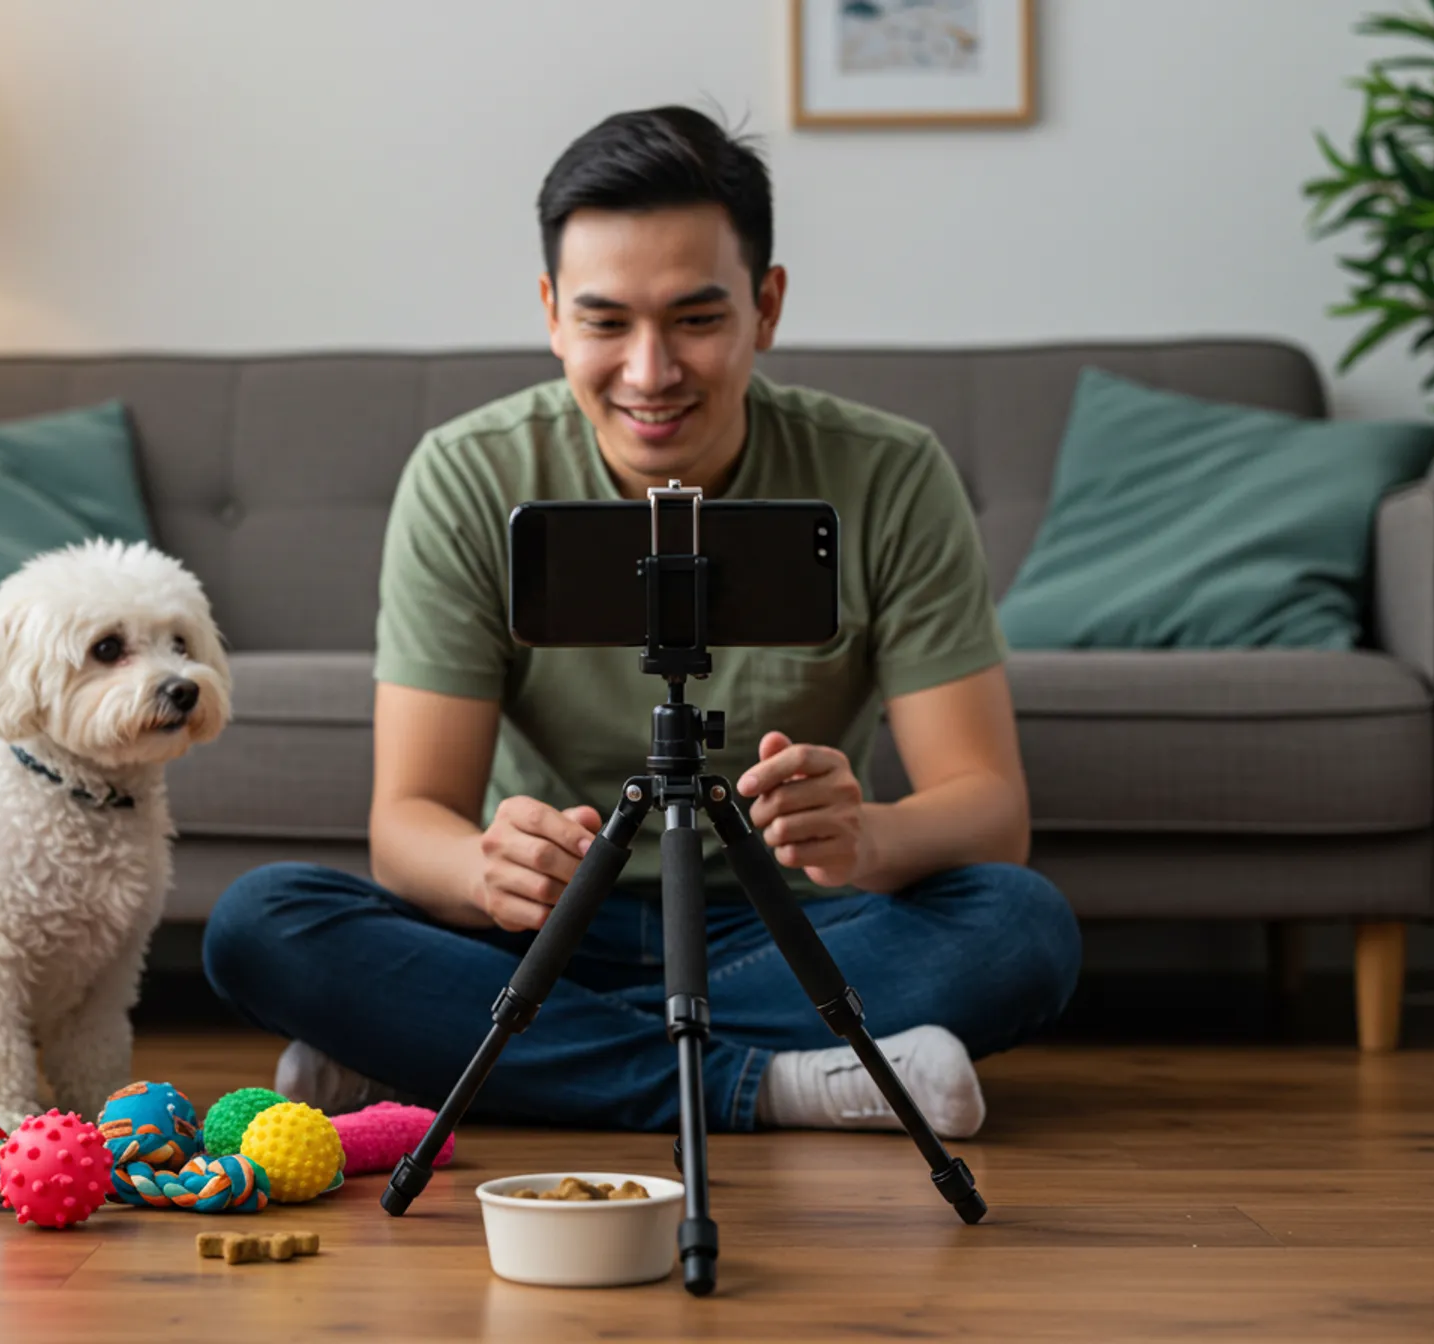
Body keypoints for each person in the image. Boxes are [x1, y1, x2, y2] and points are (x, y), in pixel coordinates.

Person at [202, 106, 1079, 1138]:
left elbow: (989, 811)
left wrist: (867, 837)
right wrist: (485, 868)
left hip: (790, 927)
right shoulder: (468, 474)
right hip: (543, 934)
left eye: (696, 320)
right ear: (551, 314)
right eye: (606, 322)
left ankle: (457, 1054)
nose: (651, 372)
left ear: (767, 306)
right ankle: (783, 1085)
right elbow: (408, 826)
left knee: (1022, 930)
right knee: (261, 923)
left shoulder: (891, 474)